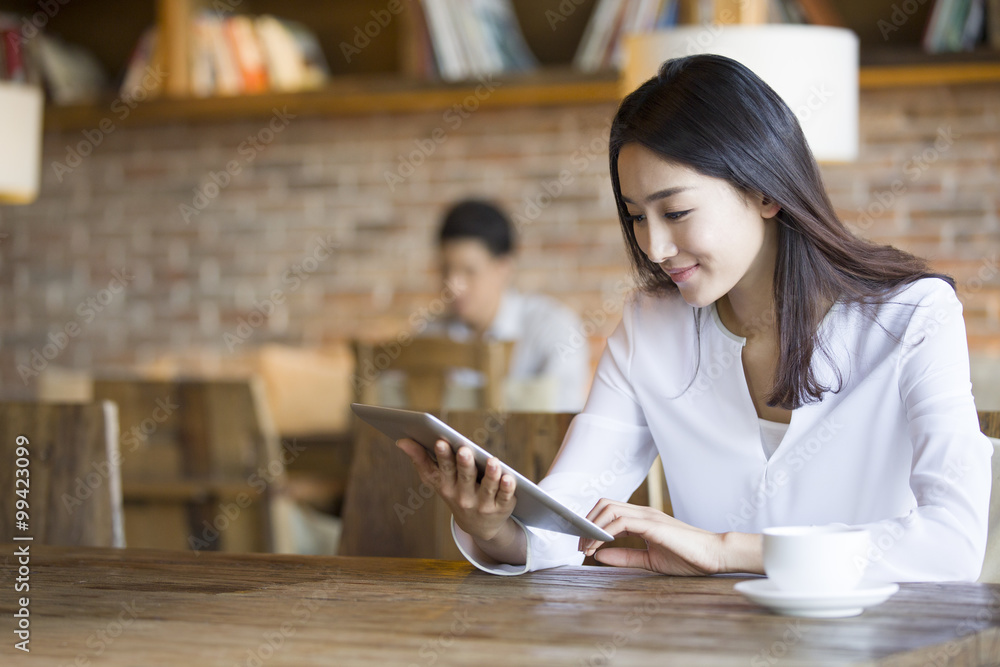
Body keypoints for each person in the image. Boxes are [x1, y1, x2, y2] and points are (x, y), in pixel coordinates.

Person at [396, 55, 992, 581]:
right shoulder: (651, 326)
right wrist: (496, 526)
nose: (654, 248)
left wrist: (726, 550)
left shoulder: (913, 316)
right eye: (635, 216)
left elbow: (952, 546)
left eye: (676, 211)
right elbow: (568, 511)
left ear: (765, 191)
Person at [420, 198, 591, 412]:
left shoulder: (553, 328)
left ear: (504, 268)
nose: (453, 286)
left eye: (469, 271)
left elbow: (562, 420)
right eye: (446, 270)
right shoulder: (429, 334)